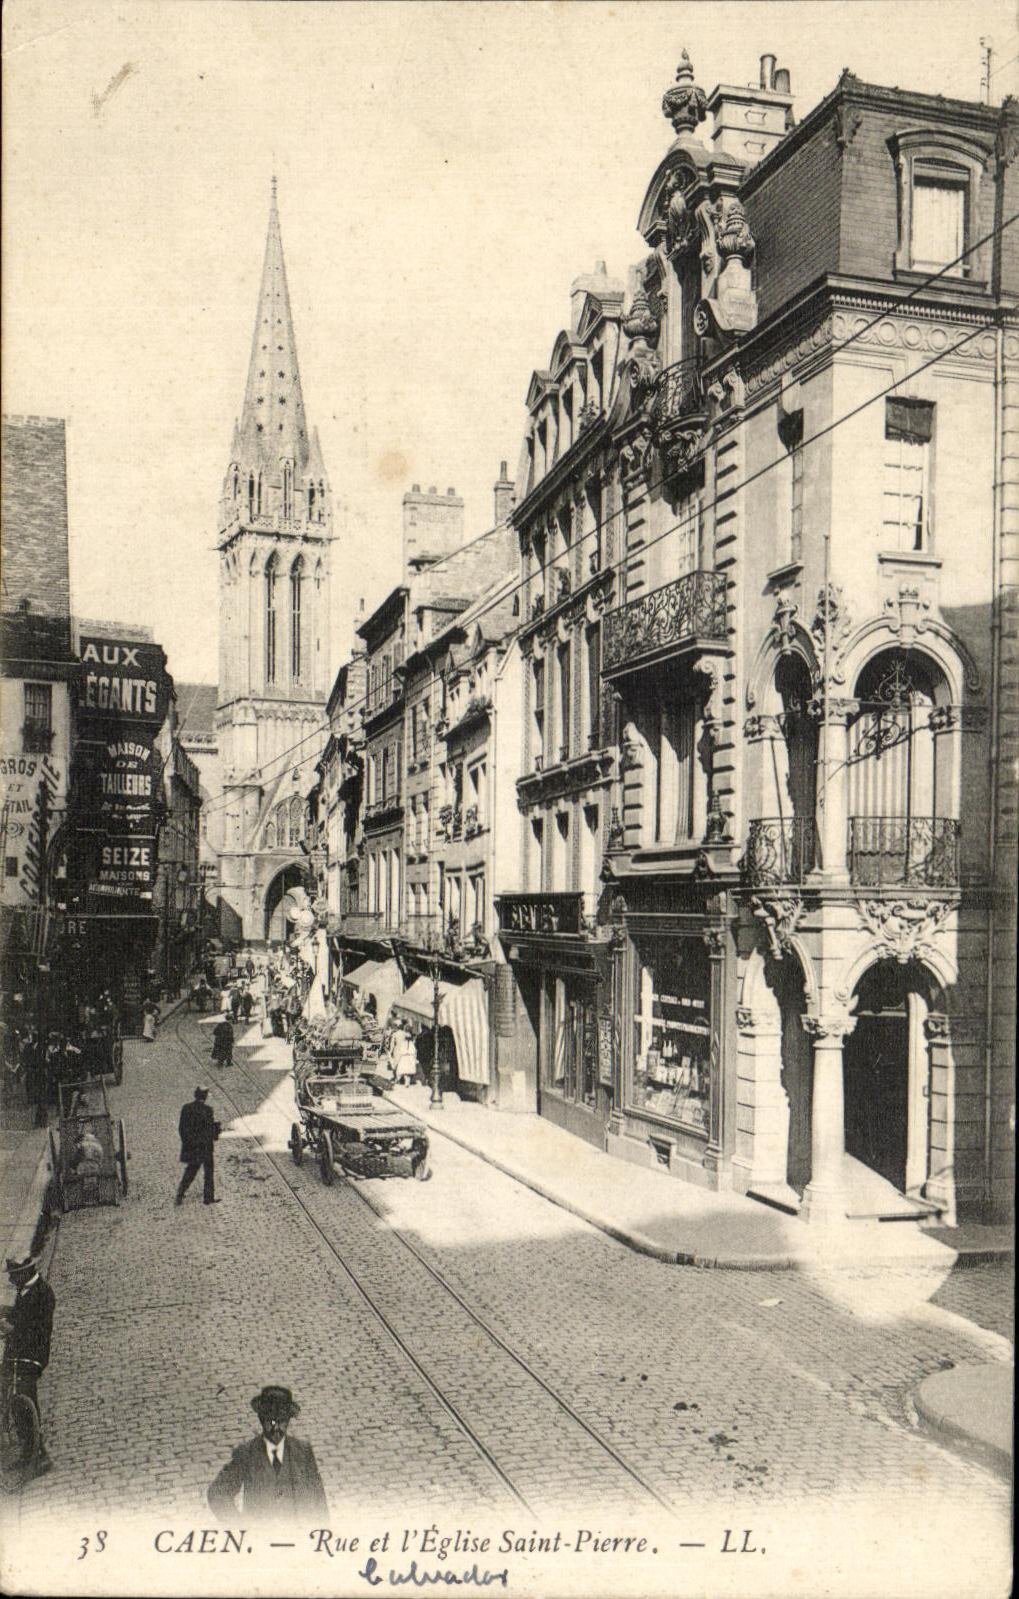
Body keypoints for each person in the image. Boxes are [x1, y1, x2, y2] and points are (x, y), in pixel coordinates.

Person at [207, 1385, 328, 1525]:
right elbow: (217, 1493)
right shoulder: (247, 1453)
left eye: (281, 1421)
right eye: (270, 1421)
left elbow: (319, 1499)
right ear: (261, 1420)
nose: (276, 1428)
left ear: (288, 1421)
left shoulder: (303, 1451)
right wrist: (240, 1526)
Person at [0, 1255, 56, 1477]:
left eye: (13, 1275)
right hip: (15, 1354)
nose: (10, 1280)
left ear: (24, 1272)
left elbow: (36, 1327)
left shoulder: (43, 1293)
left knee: (25, 1397)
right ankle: (26, 1451)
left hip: (32, 1355)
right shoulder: (24, 1289)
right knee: (11, 1398)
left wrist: (9, 1327)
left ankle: (39, 1456)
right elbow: (19, 1315)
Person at [175, 1086, 220, 1206]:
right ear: (205, 1096)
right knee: (208, 1172)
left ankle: (180, 1193)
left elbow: (181, 1128)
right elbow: (209, 1130)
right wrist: (216, 1130)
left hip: (192, 1147)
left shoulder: (186, 1108)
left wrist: (187, 1142)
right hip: (205, 1147)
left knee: (191, 1170)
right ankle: (208, 1198)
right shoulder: (208, 1110)